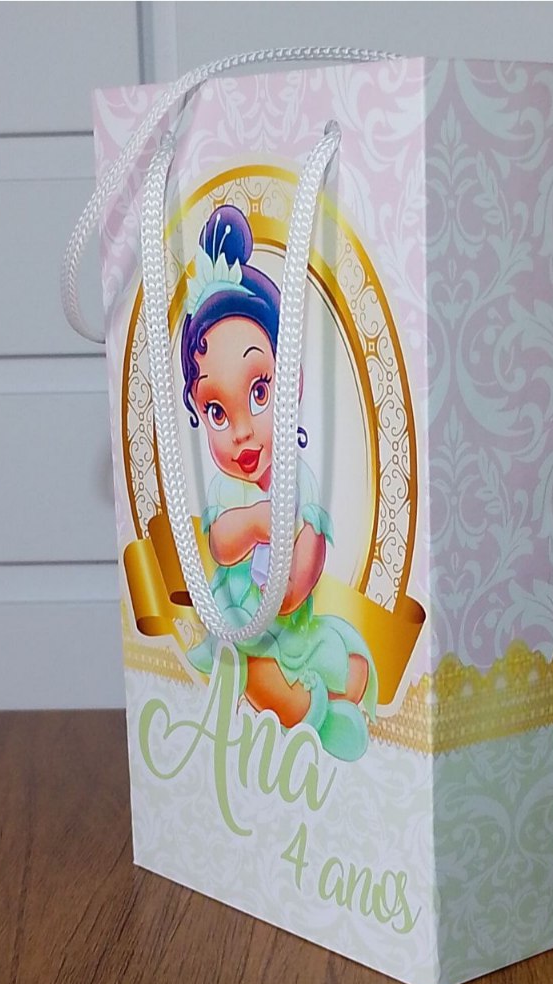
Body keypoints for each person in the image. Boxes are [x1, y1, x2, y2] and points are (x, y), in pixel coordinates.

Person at [180, 204, 377, 762]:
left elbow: (306, 561)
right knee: (258, 678)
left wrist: (294, 571)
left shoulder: (299, 479)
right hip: (242, 627)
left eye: (259, 392)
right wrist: (257, 522)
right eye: (217, 411)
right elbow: (221, 543)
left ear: (292, 382)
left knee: (346, 660)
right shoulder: (227, 493)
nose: (241, 430)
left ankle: (335, 698)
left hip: (293, 624)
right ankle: (322, 720)